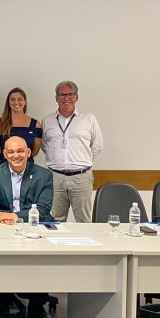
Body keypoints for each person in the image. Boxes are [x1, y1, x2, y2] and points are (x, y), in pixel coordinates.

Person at [0, 136, 56, 318]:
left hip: (33, 225)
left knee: (40, 261)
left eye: (20, 151)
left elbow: (43, 209)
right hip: (3, 226)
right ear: (5, 154)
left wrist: (14, 216)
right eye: (11, 152)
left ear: (28, 152)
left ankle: (37, 307)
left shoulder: (44, 175)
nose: (15, 155)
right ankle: (3, 302)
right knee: (1, 260)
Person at [42, 81, 103, 223]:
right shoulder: (47, 120)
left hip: (81, 177)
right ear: (56, 98)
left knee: (83, 221)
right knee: (55, 220)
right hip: (55, 178)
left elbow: (97, 145)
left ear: (77, 97)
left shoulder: (88, 119)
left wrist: (82, 160)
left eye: (70, 95)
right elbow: (45, 145)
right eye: (62, 95)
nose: (66, 98)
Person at [0, 87, 42, 164]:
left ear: (25, 102)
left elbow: (35, 152)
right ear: (8, 103)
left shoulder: (35, 125)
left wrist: (20, 162)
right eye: (13, 99)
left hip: (27, 166)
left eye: (20, 99)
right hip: (3, 166)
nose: (16, 102)